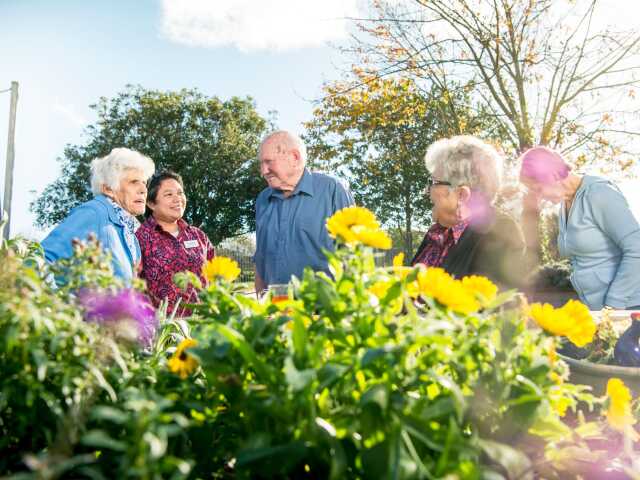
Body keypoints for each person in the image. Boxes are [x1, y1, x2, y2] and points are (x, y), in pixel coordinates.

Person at [519, 146, 640, 310]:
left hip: (625, 308)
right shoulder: (565, 205)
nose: (539, 197)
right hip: (593, 308)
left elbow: (636, 247)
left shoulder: (599, 193)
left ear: (553, 175)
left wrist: (614, 303)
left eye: (538, 189)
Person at [411, 135, 526, 288]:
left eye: (434, 183)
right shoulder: (437, 233)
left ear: (461, 194)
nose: (427, 191)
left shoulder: (500, 231)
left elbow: (487, 304)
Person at [253, 130, 355, 293]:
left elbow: (352, 255)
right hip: (277, 308)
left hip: (324, 309)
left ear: (294, 157)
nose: (263, 171)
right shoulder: (262, 199)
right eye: (261, 164)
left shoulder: (332, 190)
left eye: (269, 162)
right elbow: (260, 258)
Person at [42, 148, 154, 283]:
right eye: (134, 182)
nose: (143, 190)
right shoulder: (94, 213)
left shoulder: (131, 235)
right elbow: (41, 261)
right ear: (108, 189)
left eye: (144, 183)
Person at [136, 171, 215, 315]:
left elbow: (215, 277)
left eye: (180, 193)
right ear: (151, 203)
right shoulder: (140, 238)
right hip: (163, 331)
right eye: (169, 194)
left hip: (204, 327)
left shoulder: (199, 236)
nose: (177, 199)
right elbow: (133, 287)